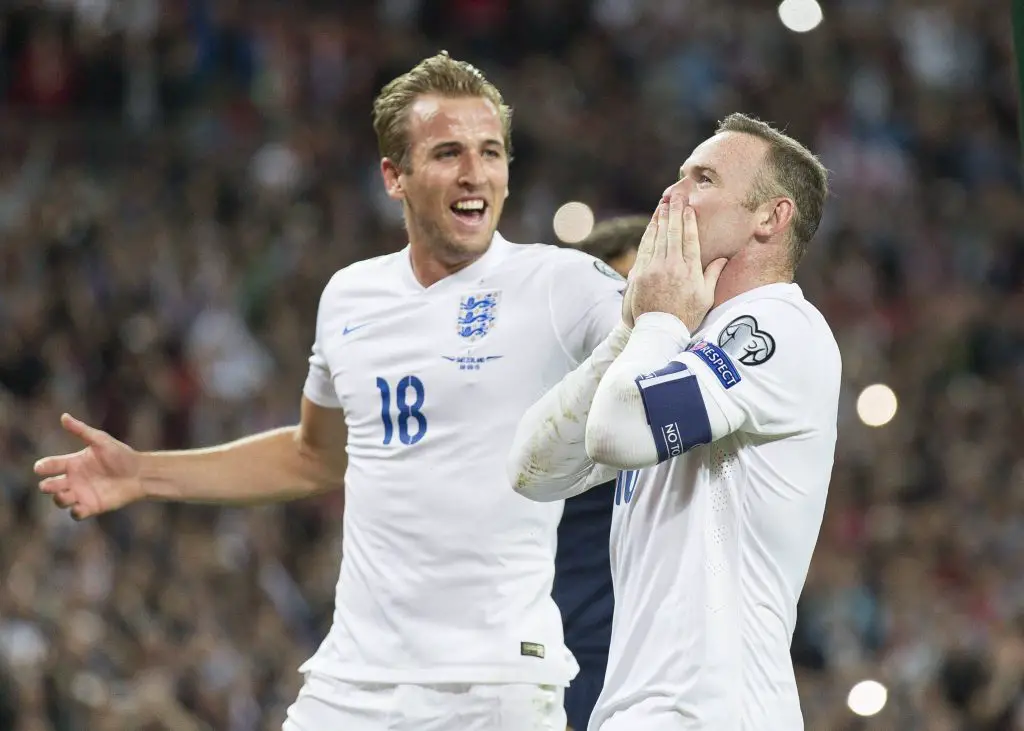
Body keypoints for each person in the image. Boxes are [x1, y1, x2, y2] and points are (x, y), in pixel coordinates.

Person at [33, 52, 625, 731]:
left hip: (492, 684)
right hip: (353, 681)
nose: (475, 173)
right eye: (447, 152)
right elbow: (314, 455)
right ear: (393, 177)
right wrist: (144, 472)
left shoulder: (559, 284)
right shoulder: (351, 295)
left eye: (492, 152)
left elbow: (668, 345)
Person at [508, 113, 841, 730]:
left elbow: (619, 431)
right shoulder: (678, 346)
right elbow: (532, 469)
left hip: (715, 713)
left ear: (771, 217)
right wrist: (634, 327)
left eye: (704, 178)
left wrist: (656, 320)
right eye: (678, 175)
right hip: (638, 708)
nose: (672, 193)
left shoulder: (780, 326)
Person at [554, 216, 645, 731]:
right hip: (573, 670)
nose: (631, 313)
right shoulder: (545, 426)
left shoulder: (704, 401)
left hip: (671, 673)